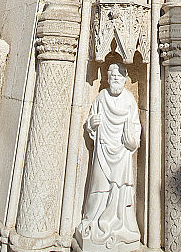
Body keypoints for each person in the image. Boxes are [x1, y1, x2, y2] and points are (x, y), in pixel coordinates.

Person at [75, 64, 141, 250]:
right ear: (108, 78)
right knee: (99, 186)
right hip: (103, 150)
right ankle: (92, 220)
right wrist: (91, 124)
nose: (115, 80)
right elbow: (91, 121)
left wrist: (131, 139)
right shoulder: (102, 97)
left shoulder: (129, 101)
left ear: (125, 79)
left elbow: (135, 128)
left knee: (119, 190)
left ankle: (121, 225)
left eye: (118, 78)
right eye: (112, 77)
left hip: (121, 153)